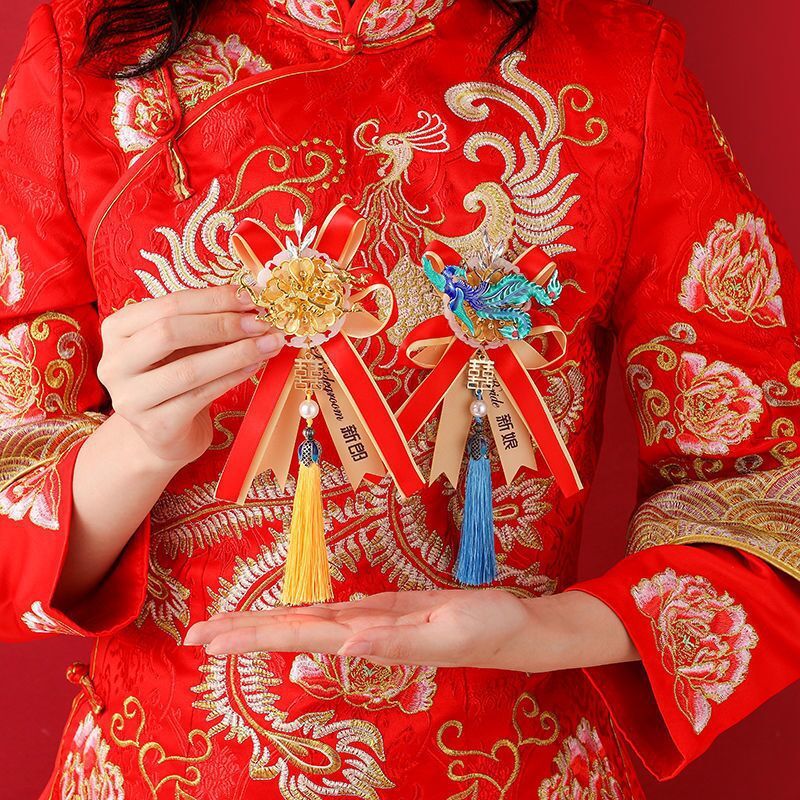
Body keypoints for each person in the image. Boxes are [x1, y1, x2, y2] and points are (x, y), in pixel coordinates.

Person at [1, 0, 798, 796]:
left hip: (515, 758)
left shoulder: (614, 61)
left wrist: (552, 630)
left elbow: (768, 487)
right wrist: (139, 446)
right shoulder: (88, 55)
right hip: (166, 764)